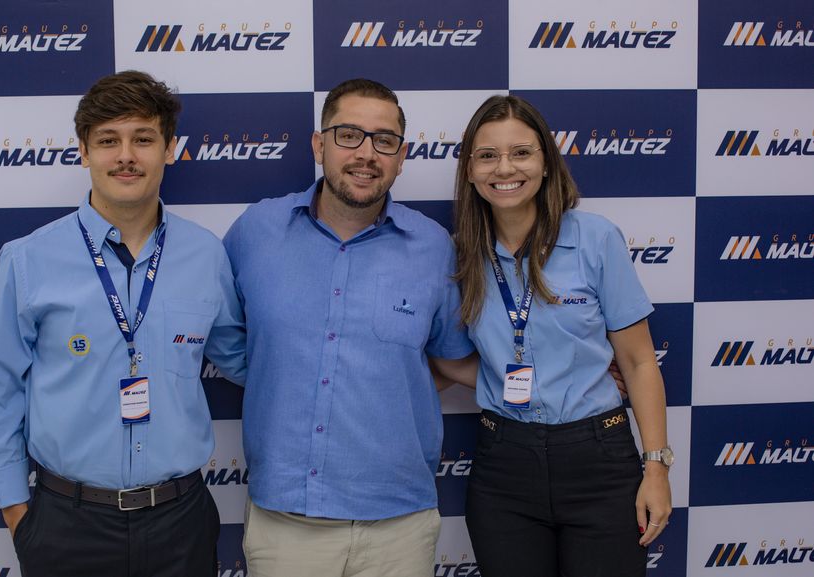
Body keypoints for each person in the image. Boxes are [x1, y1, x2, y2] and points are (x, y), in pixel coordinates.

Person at [0, 70, 245, 577]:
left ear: (169, 149)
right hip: (66, 524)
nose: (125, 156)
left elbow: (242, 359)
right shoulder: (28, 259)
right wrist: (16, 513)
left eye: (143, 139)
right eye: (108, 140)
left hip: (181, 522)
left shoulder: (206, 254)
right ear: (83, 151)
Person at [221, 78, 476, 577]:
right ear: (319, 145)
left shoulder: (434, 248)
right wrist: (284, 376)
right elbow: (223, 334)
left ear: (401, 157)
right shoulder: (256, 231)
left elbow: (451, 361)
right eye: (349, 135)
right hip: (286, 523)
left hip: (399, 526)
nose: (366, 153)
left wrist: (571, 380)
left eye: (384, 141)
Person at [449, 95, 672, 577]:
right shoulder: (459, 254)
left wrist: (656, 466)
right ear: (469, 170)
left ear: (546, 162)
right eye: (487, 155)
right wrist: (500, 378)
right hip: (503, 466)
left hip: (598, 459)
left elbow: (638, 362)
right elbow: (443, 357)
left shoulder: (596, 238)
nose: (504, 168)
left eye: (521, 153)